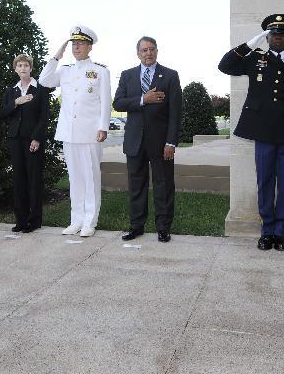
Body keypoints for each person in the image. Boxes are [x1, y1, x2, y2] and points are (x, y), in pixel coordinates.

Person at [218, 13, 284, 252]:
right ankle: (266, 229)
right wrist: (250, 44)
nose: (277, 38)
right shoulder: (255, 59)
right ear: (267, 36)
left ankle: (280, 230)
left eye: (281, 34)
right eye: (272, 34)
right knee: (265, 181)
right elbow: (224, 65)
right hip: (263, 133)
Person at [39, 26, 111, 237]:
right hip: (69, 133)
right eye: (73, 43)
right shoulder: (65, 70)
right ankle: (76, 219)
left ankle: (90, 220)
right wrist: (56, 56)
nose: (76, 47)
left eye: (80, 43)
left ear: (90, 46)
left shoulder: (100, 71)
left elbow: (105, 101)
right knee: (75, 178)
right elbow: (44, 81)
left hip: (90, 133)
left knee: (90, 177)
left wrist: (103, 126)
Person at [113, 37, 182, 243]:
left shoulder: (170, 75)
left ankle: (163, 228)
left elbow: (176, 113)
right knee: (136, 185)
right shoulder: (127, 76)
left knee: (163, 185)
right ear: (138, 53)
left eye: (152, 49)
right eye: (144, 50)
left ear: (157, 51)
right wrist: (144, 99)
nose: (148, 53)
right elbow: (118, 103)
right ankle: (136, 227)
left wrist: (171, 142)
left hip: (161, 143)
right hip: (134, 141)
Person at [0, 54, 50, 233]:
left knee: (33, 180)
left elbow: (44, 117)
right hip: (15, 139)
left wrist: (37, 138)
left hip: (32, 140)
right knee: (18, 180)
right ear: (15, 68)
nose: (23, 68)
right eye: (19, 65)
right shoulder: (11, 90)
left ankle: (34, 221)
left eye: (26, 65)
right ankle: (20, 220)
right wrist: (16, 103)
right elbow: (2, 113)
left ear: (30, 68)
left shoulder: (40, 89)